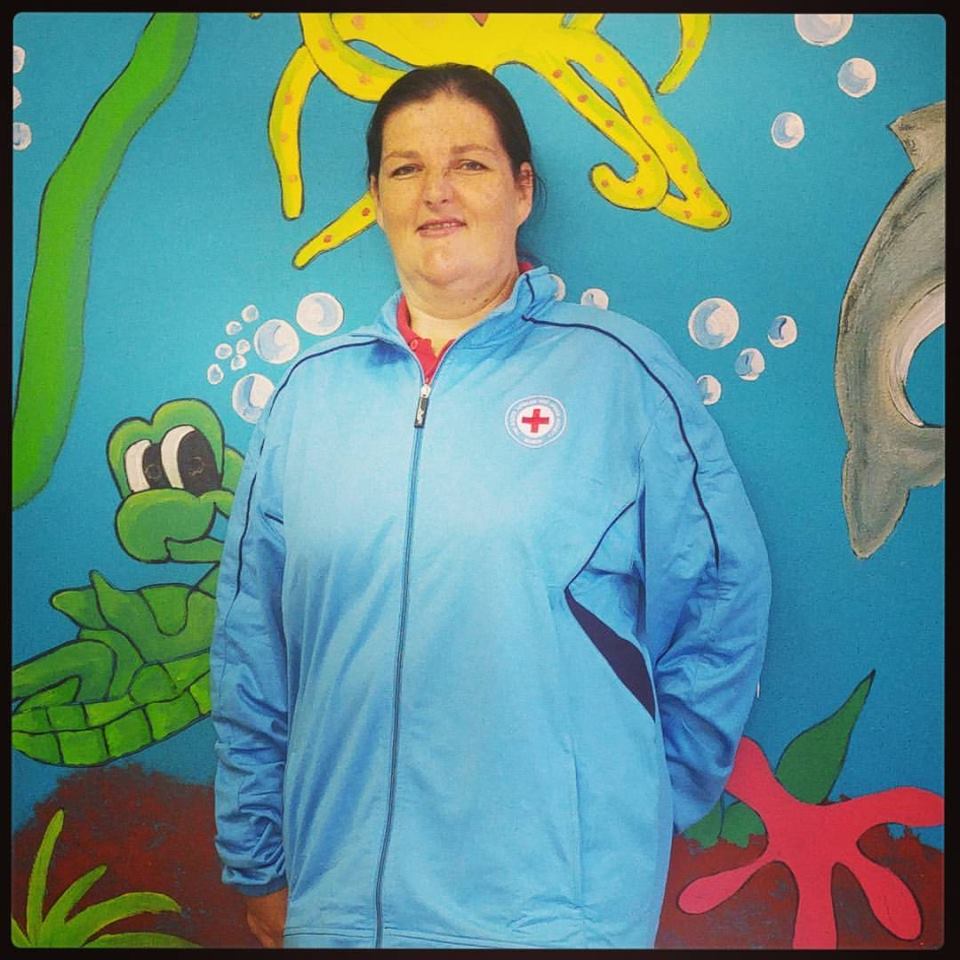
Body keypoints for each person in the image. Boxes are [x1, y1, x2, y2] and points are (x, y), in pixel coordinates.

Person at [211, 63, 770, 950]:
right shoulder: (309, 395)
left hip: (557, 912)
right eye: (405, 168)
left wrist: (641, 800)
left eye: (469, 163)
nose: (436, 190)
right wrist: (257, 858)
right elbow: (253, 646)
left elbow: (721, 595)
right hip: (340, 906)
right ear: (376, 199)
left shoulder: (619, 373)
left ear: (522, 190)